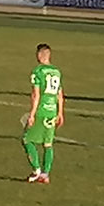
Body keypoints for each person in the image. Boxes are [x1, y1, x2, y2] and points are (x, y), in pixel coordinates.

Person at [22, 43, 65, 184]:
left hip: (41, 110)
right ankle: (46, 174)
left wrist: (32, 114)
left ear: (40, 55)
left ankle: (36, 170)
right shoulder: (56, 72)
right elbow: (60, 94)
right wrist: (60, 113)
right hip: (52, 111)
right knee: (48, 144)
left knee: (27, 139)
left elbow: (36, 94)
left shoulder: (38, 71)